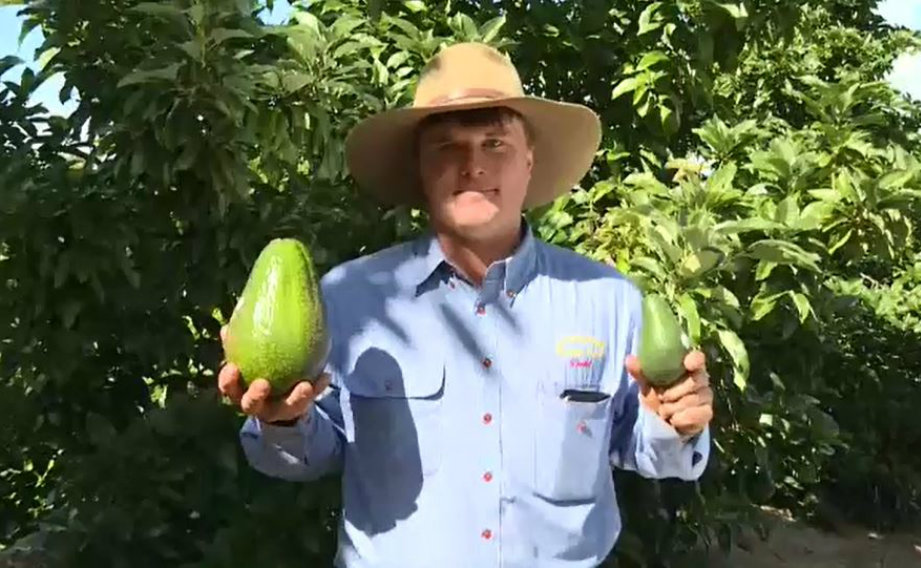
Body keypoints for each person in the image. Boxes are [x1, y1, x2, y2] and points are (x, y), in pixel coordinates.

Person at [218, 41, 715, 568]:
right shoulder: (348, 299)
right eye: (447, 147)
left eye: (495, 144)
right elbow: (308, 456)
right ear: (420, 169)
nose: (472, 164)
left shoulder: (609, 300)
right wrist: (281, 422)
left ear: (529, 162)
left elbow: (649, 452)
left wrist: (676, 425)